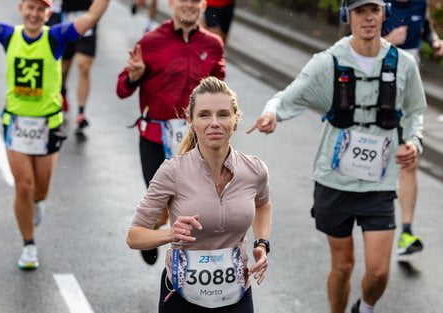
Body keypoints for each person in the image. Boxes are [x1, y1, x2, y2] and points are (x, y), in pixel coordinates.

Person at [248, 1, 425, 312]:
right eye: (360, 11)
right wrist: (271, 114)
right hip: (335, 181)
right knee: (343, 266)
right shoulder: (329, 62)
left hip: (379, 182)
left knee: (379, 271)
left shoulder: (403, 64)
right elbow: (288, 96)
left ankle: (366, 307)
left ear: (383, 13)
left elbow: (414, 112)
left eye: (374, 11)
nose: (368, 18)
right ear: (348, 15)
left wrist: (413, 142)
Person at [0, 0, 109, 270]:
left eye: (40, 9)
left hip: (47, 126)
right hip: (16, 124)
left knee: (40, 189)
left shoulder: (56, 37)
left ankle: (37, 202)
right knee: (23, 186)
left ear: (47, 14)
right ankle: (28, 245)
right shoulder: (7, 34)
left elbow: (92, 16)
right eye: (30, 8)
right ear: (21, 9)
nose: (34, 14)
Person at [127, 76, 271, 313]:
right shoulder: (172, 172)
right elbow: (134, 236)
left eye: (223, 114)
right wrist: (169, 235)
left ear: (235, 120)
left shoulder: (254, 170)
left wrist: (262, 243)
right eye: (204, 115)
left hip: (237, 296)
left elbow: (263, 205)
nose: (214, 123)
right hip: (182, 298)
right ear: (190, 121)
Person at [116, 0, 225, 265]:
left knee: (195, 208)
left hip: (195, 143)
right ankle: (153, 229)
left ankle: (192, 270)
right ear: (171, 3)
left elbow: (219, 88)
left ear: (202, 5)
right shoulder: (151, 41)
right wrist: (134, 76)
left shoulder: (212, 44)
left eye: (194, 0)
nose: (188, 5)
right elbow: (121, 89)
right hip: (155, 139)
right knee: (163, 208)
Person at [382, 0, 443, 256]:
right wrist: (388, 40)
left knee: (409, 158)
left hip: (407, 94)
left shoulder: (419, 4)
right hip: (375, 94)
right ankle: (370, 225)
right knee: (377, 164)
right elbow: (352, 45)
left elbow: (426, 27)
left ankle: (406, 231)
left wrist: (435, 41)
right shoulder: (376, 6)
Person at [61, 0, 100, 133]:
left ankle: (81, 113)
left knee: (84, 66)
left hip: (88, 19)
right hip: (66, 19)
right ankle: (61, 91)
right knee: (62, 68)